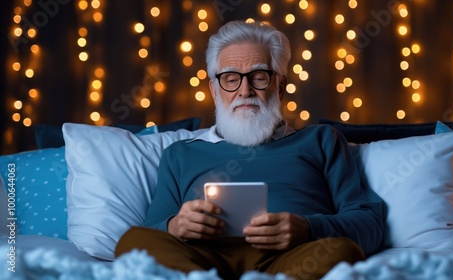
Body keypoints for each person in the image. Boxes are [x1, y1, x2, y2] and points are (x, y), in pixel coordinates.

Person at [115, 20, 385, 280]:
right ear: (214, 90)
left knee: (341, 251)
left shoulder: (321, 140)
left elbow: (369, 223)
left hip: (292, 260)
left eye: (259, 77)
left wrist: (309, 228)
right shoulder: (180, 154)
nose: (245, 90)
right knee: (134, 242)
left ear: (279, 86)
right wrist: (175, 226)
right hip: (199, 262)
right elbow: (151, 232)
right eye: (230, 79)